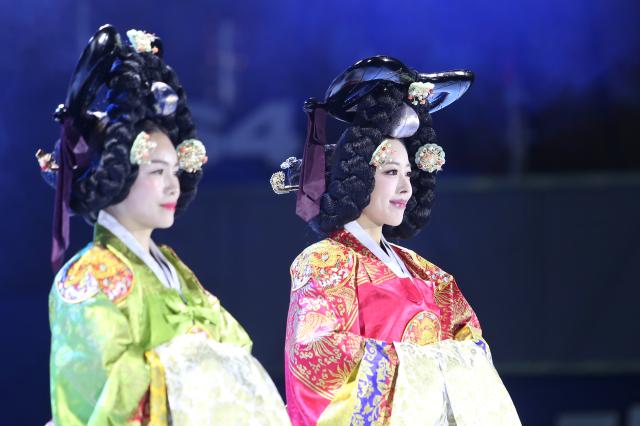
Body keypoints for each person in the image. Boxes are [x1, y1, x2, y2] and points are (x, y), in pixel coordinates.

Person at [40, 25, 288, 425]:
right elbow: (97, 396)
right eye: (157, 170)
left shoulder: (171, 267)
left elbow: (236, 344)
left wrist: (200, 360)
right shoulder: (88, 277)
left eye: (175, 169)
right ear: (117, 171)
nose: (174, 183)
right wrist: (184, 363)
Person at [271, 56, 521, 425]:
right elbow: (317, 356)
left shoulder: (431, 277)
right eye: (390, 172)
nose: (406, 187)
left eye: (408, 173)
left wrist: (436, 366)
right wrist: (428, 364)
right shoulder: (325, 263)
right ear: (359, 173)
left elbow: (473, 353)